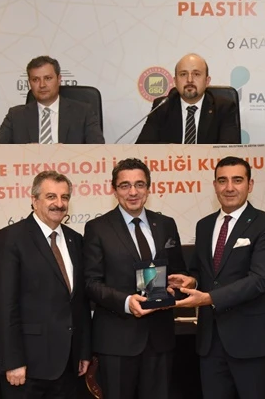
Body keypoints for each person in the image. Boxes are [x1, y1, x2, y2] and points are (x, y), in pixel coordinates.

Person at [169, 156, 265, 399]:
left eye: (237, 180)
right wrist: (192, 282)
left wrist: (208, 298)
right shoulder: (204, 225)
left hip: (252, 342)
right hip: (210, 343)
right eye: (222, 181)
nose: (229, 187)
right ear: (215, 185)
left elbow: (259, 279)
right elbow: (201, 272)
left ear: (250, 185)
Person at [83, 158, 186, 399]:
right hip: (117, 341)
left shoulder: (166, 224)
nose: (133, 192)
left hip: (160, 339)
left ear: (148, 188)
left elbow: (179, 273)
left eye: (139, 184)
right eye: (125, 185)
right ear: (113, 189)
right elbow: (90, 283)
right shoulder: (98, 228)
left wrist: (179, 287)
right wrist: (127, 302)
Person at [0, 171, 91, 398]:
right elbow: (5, 304)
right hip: (27, 367)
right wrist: (12, 360)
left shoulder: (75, 240)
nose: (59, 203)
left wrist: (83, 351)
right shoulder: (11, 238)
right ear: (34, 200)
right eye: (51, 196)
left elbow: (80, 302)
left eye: (65, 197)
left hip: (68, 365)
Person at [0, 55, 104, 144]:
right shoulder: (16, 116)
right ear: (29, 83)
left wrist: (66, 152)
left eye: (48, 78)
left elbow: (98, 150)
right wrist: (23, 152)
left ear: (59, 79)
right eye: (35, 80)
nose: (42, 85)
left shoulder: (83, 112)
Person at [135, 53, 241, 144]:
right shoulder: (162, 107)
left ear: (207, 81)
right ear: (175, 81)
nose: (189, 80)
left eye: (196, 74)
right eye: (183, 74)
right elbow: (143, 147)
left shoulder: (224, 108)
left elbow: (229, 149)